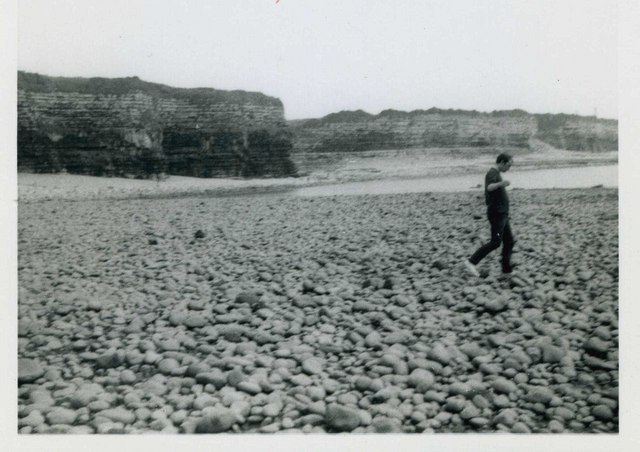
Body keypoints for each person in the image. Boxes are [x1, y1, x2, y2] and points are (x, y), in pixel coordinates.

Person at [464, 153, 515, 276]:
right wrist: (501, 184)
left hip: (502, 213)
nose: (509, 168)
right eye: (508, 165)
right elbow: (489, 187)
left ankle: (506, 270)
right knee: (495, 242)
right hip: (497, 214)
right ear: (502, 162)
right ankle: (471, 262)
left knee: (509, 241)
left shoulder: (497, 174)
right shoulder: (492, 173)